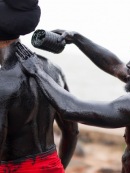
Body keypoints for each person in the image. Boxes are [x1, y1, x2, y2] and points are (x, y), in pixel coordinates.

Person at [16, 30, 130, 173]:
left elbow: (70, 108)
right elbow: (115, 66)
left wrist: (37, 70)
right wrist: (76, 38)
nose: (129, 64)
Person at [0, 1, 78, 173]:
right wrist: (60, 167)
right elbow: (71, 130)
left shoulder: (2, 82)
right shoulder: (53, 69)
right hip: (52, 166)